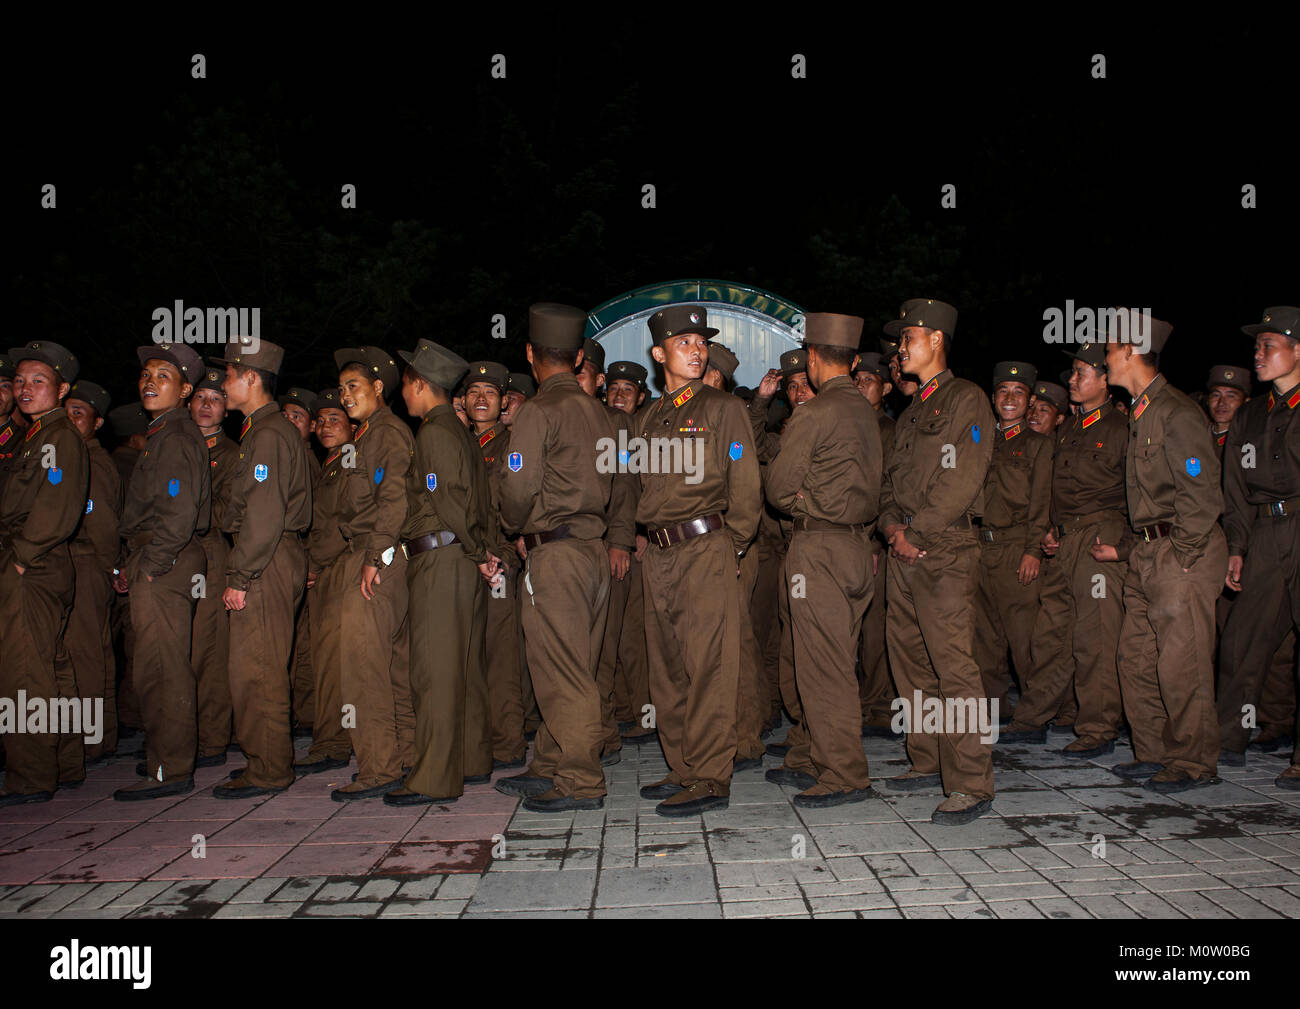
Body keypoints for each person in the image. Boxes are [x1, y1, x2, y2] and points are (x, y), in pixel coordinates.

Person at [635, 304, 762, 816]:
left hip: (706, 546)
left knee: (709, 665)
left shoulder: (721, 408)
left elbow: (746, 486)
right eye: (683, 343)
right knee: (667, 667)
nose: (696, 350)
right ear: (658, 353)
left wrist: (734, 545)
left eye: (701, 343)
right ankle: (683, 766)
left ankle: (710, 776)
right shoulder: (648, 416)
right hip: (659, 552)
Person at [494, 304, 619, 812]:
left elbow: (517, 488)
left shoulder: (538, 411)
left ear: (530, 353)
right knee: (575, 663)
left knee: (562, 669)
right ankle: (549, 761)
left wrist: (513, 524)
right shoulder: (597, 412)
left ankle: (581, 779)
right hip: (592, 550)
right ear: (579, 357)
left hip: (557, 553)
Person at [1093, 311, 1225, 792]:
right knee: (1135, 658)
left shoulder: (1176, 411)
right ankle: (1154, 752)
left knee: (1182, 662)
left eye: (1110, 348)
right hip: (1147, 553)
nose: (1105, 358)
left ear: (1131, 350)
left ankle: (1194, 762)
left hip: (1180, 551)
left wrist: (1182, 555)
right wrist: (1137, 550)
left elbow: (1201, 494)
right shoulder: (1141, 412)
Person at [876, 299, 996, 825]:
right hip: (904, 547)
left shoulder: (966, 399)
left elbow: (962, 478)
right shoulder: (911, 411)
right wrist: (891, 528)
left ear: (937, 340)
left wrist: (916, 532)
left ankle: (970, 781)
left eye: (908, 337)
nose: (901, 347)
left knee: (953, 666)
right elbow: (889, 486)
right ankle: (927, 759)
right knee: (910, 663)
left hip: (944, 548)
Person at [765, 313, 881, 806]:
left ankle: (844, 774)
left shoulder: (815, 412)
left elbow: (777, 488)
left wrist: (804, 501)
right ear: (851, 361)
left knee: (822, 666)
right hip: (857, 547)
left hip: (820, 549)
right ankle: (813, 755)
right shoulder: (865, 411)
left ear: (812, 357)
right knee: (835, 657)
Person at [384, 339, 497, 806]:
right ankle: (470, 760)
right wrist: (481, 550)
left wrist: (476, 549)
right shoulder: (462, 431)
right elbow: (478, 500)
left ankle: (433, 778)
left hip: (443, 557)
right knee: (464, 666)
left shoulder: (434, 432)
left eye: (405, 385)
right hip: (461, 558)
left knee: (434, 670)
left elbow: (449, 499)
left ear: (419, 385)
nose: (402, 394)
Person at [1005, 343, 1129, 755]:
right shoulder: (1070, 429)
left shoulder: (1122, 429)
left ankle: (1098, 728)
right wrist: (1050, 529)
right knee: (1051, 634)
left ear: (1105, 380)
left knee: (1096, 637)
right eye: (1072, 373)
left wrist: (1125, 545)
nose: (1072, 380)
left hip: (1100, 537)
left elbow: (1139, 493)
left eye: (1080, 373)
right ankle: (1032, 717)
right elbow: (1055, 488)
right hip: (1065, 540)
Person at [211, 337, 313, 799]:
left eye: (229, 375)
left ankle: (269, 768)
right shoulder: (264, 431)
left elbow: (264, 514)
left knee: (258, 668)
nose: (223, 384)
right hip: (271, 555)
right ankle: (263, 758)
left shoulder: (269, 434)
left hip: (265, 559)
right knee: (257, 665)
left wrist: (241, 576)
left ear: (251, 378)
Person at [114, 342, 211, 800]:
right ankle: (163, 760)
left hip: (165, 559)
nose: (150, 382)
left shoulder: (174, 437)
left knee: (163, 669)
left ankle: (169, 770)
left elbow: (178, 511)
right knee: (153, 667)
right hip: (155, 556)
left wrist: (152, 565)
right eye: (146, 375)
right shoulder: (162, 435)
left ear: (185, 389)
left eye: (163, 376)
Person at [0, 341, 90, 805]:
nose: (25, 388)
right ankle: (66, 763)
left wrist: (21, 557)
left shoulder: (56, 438)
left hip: (32, 567)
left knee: (23, 673)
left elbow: (57, 508)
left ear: (61, 388)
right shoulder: (35, 435)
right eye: (19, 381)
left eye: (38, 381)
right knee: (53, 668)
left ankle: (31, 776)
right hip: (41, 565)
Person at [1215, 308, 1300, 790]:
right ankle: (1230, 737)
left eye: (1269, 345)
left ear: (1298, 350)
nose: (1258, 354)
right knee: (1242, 640)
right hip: (1264, 530)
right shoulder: (1249, 415)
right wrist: (1237, 546)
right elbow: (1235, 490)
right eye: (1256, 346)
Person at [326, 346, 413, 801]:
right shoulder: (366, 436)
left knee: (363, 666)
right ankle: (406, 756)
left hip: (376, 554)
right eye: (341, 388)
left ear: (378, 387)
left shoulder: (386, 433)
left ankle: (379, 768)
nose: (345, 395)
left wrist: (375, 555)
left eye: (353, 385)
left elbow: (393, 498)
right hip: (376, 553)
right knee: (391, 665)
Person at [972, 362, 1052, 722]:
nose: (1010, 398)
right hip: (979, 547)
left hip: (1016, 548)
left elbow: (1041, 503)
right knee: (984, 637)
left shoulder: (1038, 445)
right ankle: (995, 709)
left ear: (1030, 401)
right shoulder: (978, 442)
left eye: (1019, 392)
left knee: (1024, 639)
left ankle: (1036, 714)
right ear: (993, 398)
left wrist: (1033, 551)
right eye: (1003, 391)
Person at [576, 341, 638, 767]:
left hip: (603, 546)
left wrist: (619, 541)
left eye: (581, 373)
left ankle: (604, 736)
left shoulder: (616, 422)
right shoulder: (563, 415)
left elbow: (626, 483)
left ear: (595, 379)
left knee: (602, 647)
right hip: (571, 547)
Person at [464, 360, 529, 770]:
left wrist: (506, 553)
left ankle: (507, 744)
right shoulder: (462, 444)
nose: (481, 398)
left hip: (498, 560)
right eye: (474, 392)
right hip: (463, 560)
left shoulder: (511, 444)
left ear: (504, 402)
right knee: (469, 652)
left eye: (490, 392)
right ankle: (476, 740)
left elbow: (519, 501)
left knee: (500, 651)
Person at [294, 388, 355, 776]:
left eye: (336, 419)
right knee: (323, 659)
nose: (326, 426)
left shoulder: (350, 461)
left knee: (335, 661)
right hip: (326, 570)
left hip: (338, 569)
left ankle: (334, 742)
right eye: (321, 421)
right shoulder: (330, 464)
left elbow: (339, 523)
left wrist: (313, 565)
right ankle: (330, 737)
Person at [63, 381, 122, 764]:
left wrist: (111, 567)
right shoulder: (74, 456)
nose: (70, 419)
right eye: (66, 411)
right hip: (85, 563)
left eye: (79, 413)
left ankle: (90, 740)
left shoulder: (91, 462)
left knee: (85, 655)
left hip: (87, 563)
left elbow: (100, 522)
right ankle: (99, 736)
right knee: (92, 653)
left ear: (97, 422)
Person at [189, 368, 239, 765]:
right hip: (175, 553)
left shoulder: (233, 455)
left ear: (226, 409)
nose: (207, 405)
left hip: (210, 553)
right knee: (180, 649)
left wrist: (186, 510)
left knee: (209, 650)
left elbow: (229, 514)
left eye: (216, 399)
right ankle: (179, 737)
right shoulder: (173, 446)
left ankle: (212, 739)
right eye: (200, 398)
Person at [603, 361, 654, 746]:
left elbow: (640, 489)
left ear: (641, 397)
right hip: (609, 541)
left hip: (635, 545)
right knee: (612, 634)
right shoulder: (603, 429)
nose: (619, 395)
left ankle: (644, 714)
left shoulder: (644, 432)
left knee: (633, 636)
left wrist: (639, 534)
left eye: (628, 390)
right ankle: (623, 710)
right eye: (614, 388)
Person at [851, 352, 900, 737]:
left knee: (876, 627)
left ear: (885, 388)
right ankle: (863, 702)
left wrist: (873, 543)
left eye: (868, 380)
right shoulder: (850, 423)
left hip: (876, 541)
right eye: (857, 379)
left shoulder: (889, 430)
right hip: (850, 538)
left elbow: (884, 490)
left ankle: (880, 706)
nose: (860, 386)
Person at [279, 386, 320, 738]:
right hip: (303, 558)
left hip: (304, 557)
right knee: (298, 639)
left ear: (311, 426)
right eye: (286, 415)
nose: (290, 421)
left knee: (299, 640)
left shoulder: (304, 460)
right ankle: (301, 713)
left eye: (298, 416)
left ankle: (303, 713)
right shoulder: (291, 456)